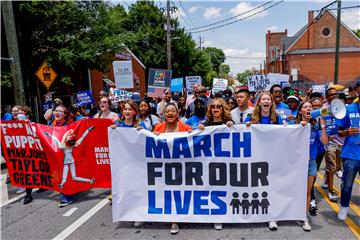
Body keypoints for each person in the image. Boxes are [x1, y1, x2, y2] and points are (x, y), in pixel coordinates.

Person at [152, 103, 192, 234]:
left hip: (182, 166)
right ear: (163, 114)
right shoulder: (158, 127)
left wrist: (198, 132)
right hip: (164, 166)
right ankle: (171, 219)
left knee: (179, 191)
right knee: (167, 191)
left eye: (172, 111)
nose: (170, 113)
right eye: (167, 111)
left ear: (177, 113)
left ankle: (177, 218)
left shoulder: (186, 127)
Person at [245, 92, 282, 231]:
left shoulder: (277, 119)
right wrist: (246, 127)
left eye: (268, 99)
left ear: (271, 103)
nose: (266, 101)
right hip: (255, 158)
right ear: (259, 102)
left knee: (271, 188)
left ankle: (271, 217)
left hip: (272, 159)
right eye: (263, 99)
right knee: (256, 187)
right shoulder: (250, 118)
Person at [198, 98, 234, 231]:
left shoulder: (230, 124)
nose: (215, 108)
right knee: (211, 187)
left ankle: (223, 215)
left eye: (218, 106)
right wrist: (199, 130)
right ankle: (215, 215)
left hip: (225, 163)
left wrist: (233, 125)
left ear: (223, 108)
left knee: (224, 188)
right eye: (213, 106)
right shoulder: (206, 124)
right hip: (209, 163)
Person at [296, 101, 328, 231]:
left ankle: (304, 217)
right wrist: (299, 127)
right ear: (300, 111)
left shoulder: (316, 126)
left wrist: (324, 127)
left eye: (310, 107)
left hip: (311, 163)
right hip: (296, 163)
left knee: (307, 191)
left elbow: (324, 141)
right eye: (305, 107)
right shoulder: (294, 126)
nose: (308, 108)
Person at [336, 81, 360, 220]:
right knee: (347, 185)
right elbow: (339, 132)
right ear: (356, 90)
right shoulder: (348, 109)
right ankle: (344, 207)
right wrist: (346, 131)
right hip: (351, 154)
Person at [321, 88, 340, 202]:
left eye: (335, 94)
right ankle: (331, 190)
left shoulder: (343, 108)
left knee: (338, 165)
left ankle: (326, 179)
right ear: (327, 98)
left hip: (341, 140)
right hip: (328, 141)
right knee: (332, 165)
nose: (333, 96)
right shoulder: (323, 110)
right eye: (330, 95)